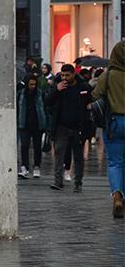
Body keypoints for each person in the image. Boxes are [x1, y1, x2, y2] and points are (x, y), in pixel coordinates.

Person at [45, 64, 93, 192]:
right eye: (62, 75)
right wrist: (56, 90)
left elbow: (91, 101)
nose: (64, 78)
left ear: (73, 74)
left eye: (67, 75)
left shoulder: (83, 87)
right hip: (62, 127)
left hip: (78, 127)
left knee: (78, 157)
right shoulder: (59, 86)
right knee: (59, 155)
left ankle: (78, 183)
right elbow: (48, 101)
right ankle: (58, 181)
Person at [93, 42, 124, 218]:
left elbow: (96, 96)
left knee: (115, 162)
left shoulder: (108, 75)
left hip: (113, 122)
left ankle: (117, 195)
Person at [17, 74, 47, 179]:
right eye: (30, 84)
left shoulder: (40, 94)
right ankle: (24, 167)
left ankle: (37, 167)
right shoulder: (21, 94)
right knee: (24, 145)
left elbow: (45, 108)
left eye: (34, 84)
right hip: (24, 123)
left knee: (37, 146)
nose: (32, 86)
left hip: (38, 124)